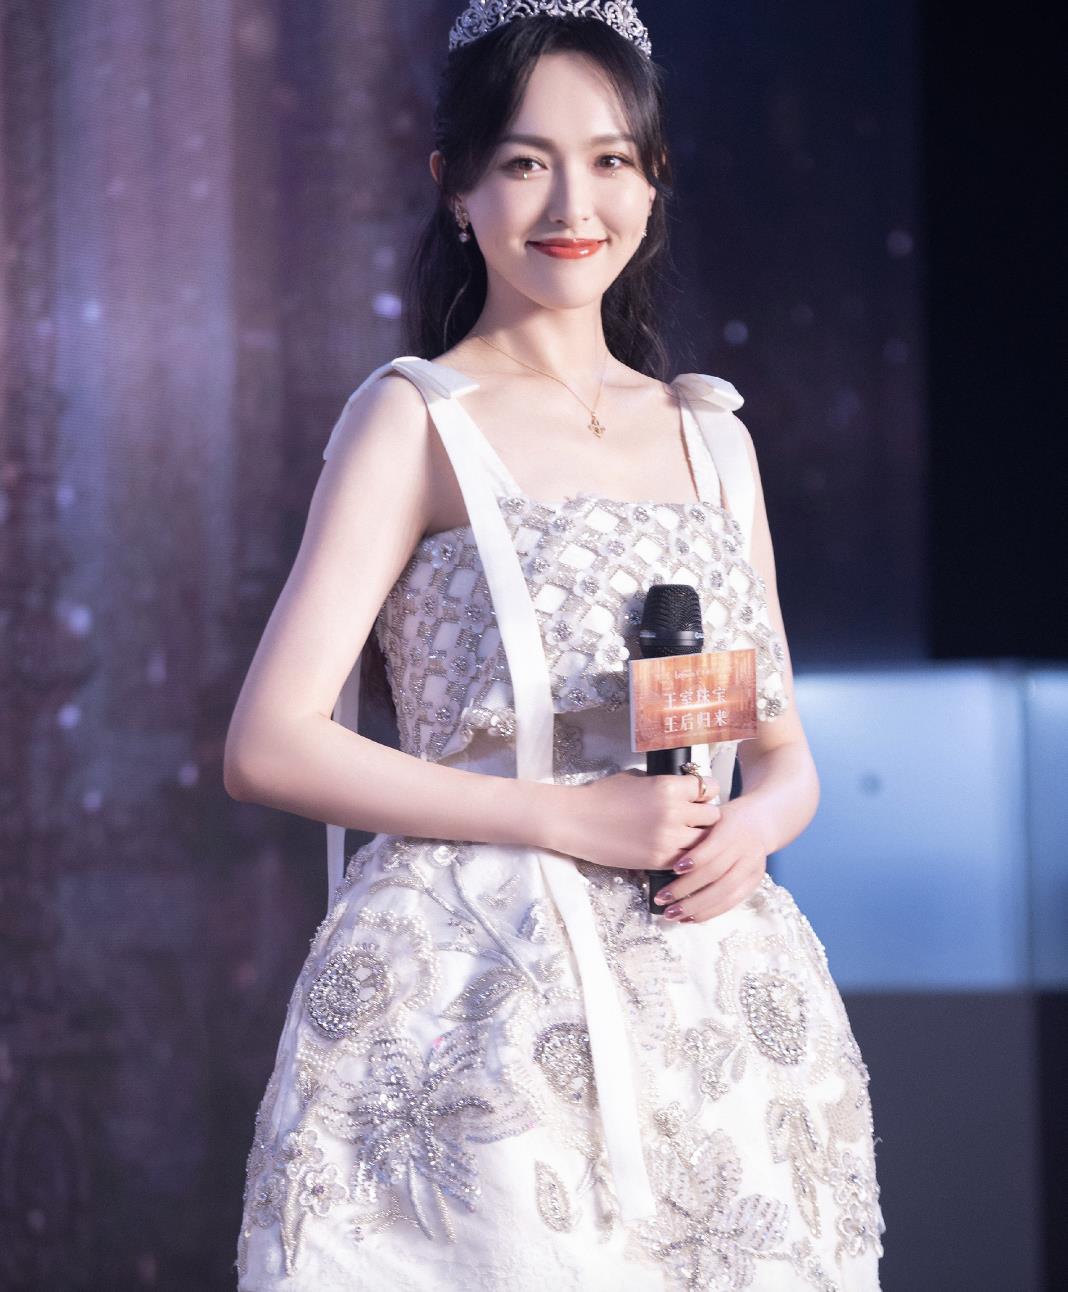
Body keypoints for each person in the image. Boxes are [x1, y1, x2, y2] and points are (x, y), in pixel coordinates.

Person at [225, 3, 885, 1288]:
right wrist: (569, 816)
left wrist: (752, 828)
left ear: (653, 177)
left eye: (610, 159)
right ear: (455, 185)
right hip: (473, 999)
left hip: (711, 1000)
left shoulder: (712, 436)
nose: (574, 204)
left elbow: (783, 754)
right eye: (526, 162)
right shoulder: (416, 418)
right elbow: (270, 743)